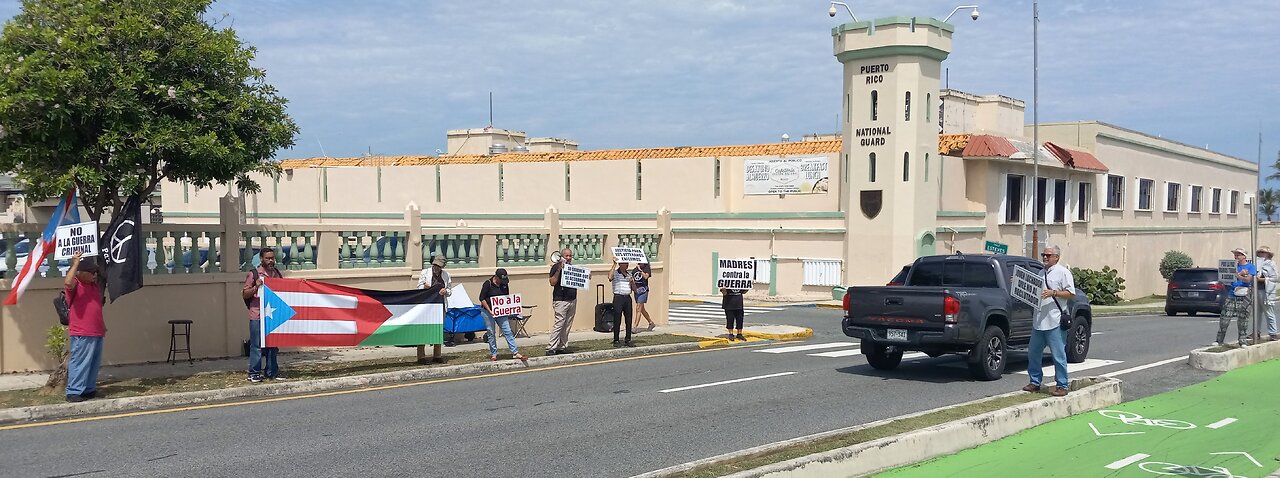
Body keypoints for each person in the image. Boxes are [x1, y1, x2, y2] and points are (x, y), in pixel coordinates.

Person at [1022, 244, 1074, 397]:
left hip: (1055, 320)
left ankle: (1062, 385)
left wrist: (1054, 293)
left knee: (1058, 355)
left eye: (1048, 255)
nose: (1045, 257)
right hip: (1039, 321)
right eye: (1044, 254)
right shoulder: (1039, 272)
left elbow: (1071, 293)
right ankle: (1035, 382)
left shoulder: (1063, 272)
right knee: (1033, 353)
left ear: (1056, 257)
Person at [63, 253, 105, 402]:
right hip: (82, 331)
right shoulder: (76, 284)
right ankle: (74, 391)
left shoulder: (94, 286)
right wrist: (75, 264)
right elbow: (68, 283)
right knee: (80, 361)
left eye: (95, 273)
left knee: (93, 362)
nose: (94, 275)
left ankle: (88, 389)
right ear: (82, 273)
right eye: (92, 273)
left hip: (96, 330)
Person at [243, 248, 285, 382]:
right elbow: (244, 294)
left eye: (272, 258)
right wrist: (256, 286)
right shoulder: (254, 274)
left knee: (273, 345)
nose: (271, 260)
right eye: (268, 258)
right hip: (257, 315)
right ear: (261, 259)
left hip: (272, 316)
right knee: (256, 345)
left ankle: (272, 371)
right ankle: (254, 373)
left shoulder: (276, 274)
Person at [479, 268, 528, 362]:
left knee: (507, 331)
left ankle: (515, 352)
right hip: (487, 311)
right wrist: (490, 311)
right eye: (501, 279)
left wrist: (508, 309)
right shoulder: (487, 284)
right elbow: (482, 298)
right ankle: (493, 354)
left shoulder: (504, 285)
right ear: (496, 277)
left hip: (500, 312)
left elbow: (506, 298)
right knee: (491, 332)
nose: (502, 282)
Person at [1218, 247, 1255, 347]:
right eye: (1235, 254)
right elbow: (1226, 277)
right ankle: (1219, 340)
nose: (1236, 256)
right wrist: (1239, 274)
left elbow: (1248, 280)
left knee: (1243, 319)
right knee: (1225, 318)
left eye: (1238, 254)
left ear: (1244, 256)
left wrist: (1238, 276)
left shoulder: (1251, 267)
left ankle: (1242, 341)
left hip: (1244, 295)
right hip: (1231, 294)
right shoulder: (1232, 266)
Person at [417, 255, 451, 359]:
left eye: (439, 266)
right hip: (427, 305)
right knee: (423, 330)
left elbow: (450, 290)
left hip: (440, 305)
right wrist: (425, 287)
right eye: (435, 265)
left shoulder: (446, 275)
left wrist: (445, 291)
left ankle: (437, 355)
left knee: (438, 330)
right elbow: (418, 287)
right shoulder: (425, 272)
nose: (436, 268)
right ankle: (421, 356)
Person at [547, 248, 578, 355]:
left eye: (570, 256)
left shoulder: (573, 268)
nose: (568, 258)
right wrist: (559, 269)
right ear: (562, 257)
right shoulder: (556, 267)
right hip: (560, 300)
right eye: (566, 256)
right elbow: (552, 282)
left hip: (572, 300)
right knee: (559, 323)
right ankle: (551, 347)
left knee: (567, 324)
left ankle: (562, 346)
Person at [610, 259, 637, 347]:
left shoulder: (629, 274)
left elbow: (635, 289)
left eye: (627, 263)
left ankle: (628, 339)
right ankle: (616, 339)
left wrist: (632, 282)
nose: (627, 265)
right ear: (620, 264)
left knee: (628, 319)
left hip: (627, 297)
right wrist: (614, 264)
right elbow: (610, 277)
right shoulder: (616, 273)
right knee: (617, 318)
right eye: (625, 263)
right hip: (618, 297)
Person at [1256, 246, 1278, 341]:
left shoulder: (1271, 264)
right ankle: (1256, 332)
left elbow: (1275, 277)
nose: (1261, 254)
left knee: (1269, 312)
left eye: (1263, 253)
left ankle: (1273, 333)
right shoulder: (1256, 263)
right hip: (1257, 289)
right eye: (1260, 252)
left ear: (1268, 254)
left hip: (1266, 291)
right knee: (1256, 313)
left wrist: (1262, 279)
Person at [632, 263, 657, 331]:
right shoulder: (634, 270)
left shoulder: (646, 269)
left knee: (638, 308)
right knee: (641, 309)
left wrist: (640, 270)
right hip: (637, 291)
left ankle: (635, 326)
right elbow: (633, 280)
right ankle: (651, 322)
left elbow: (646, 277)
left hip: (644, 291)